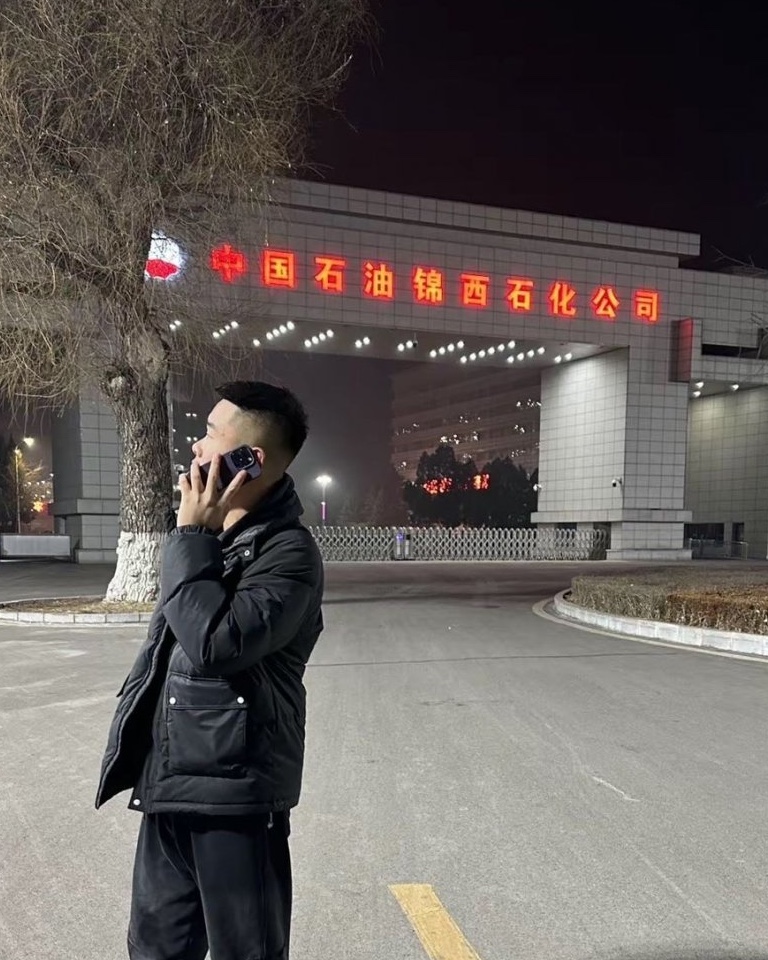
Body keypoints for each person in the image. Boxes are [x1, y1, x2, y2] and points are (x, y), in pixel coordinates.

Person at [95, 380, 324, 960]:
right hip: (171, 787)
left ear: (251, 459)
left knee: (245, 950)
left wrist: (193, 535)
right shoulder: (215, 541)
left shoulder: (288, 553)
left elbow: (216, 644)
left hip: (236, 801)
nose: (196, 448)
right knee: (154, 949)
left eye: (210, 435)